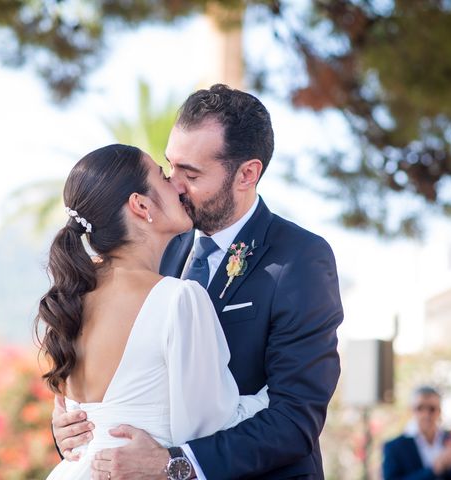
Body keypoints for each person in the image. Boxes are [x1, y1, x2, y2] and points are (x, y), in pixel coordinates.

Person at [53, 84, 344, 479]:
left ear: (247, 174)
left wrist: (176, 464)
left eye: (190, 173)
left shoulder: (298, 259)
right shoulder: (161, 248)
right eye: (169, 166)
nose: (173, 184)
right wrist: (75, 430)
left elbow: (295, 419)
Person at [37, 143, 270, 480]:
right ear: (141, 205)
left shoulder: (70, 298)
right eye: (163, 176)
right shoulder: (177, 300)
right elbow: (212, 427)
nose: (177, 185)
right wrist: (278, 396)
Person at [382, 385, 451, 480]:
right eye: (420, 408)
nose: (426, 414)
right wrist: (433, 470)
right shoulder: (394, 447)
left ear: (439, 411)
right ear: (412, 410)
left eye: (431, 409)